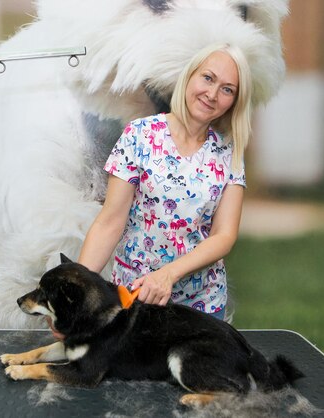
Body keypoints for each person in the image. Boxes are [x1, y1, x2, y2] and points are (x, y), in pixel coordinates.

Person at [77, 43, 252, 321]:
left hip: (201, 308)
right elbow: (109, 222)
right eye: (207, 78)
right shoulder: (139, 135)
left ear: (235, 101)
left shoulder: (229, 153)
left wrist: (168, 274)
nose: (212, 94)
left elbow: (224, 236)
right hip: (134, 300)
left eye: (227, 89)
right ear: (189, 76)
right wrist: (76, 292)